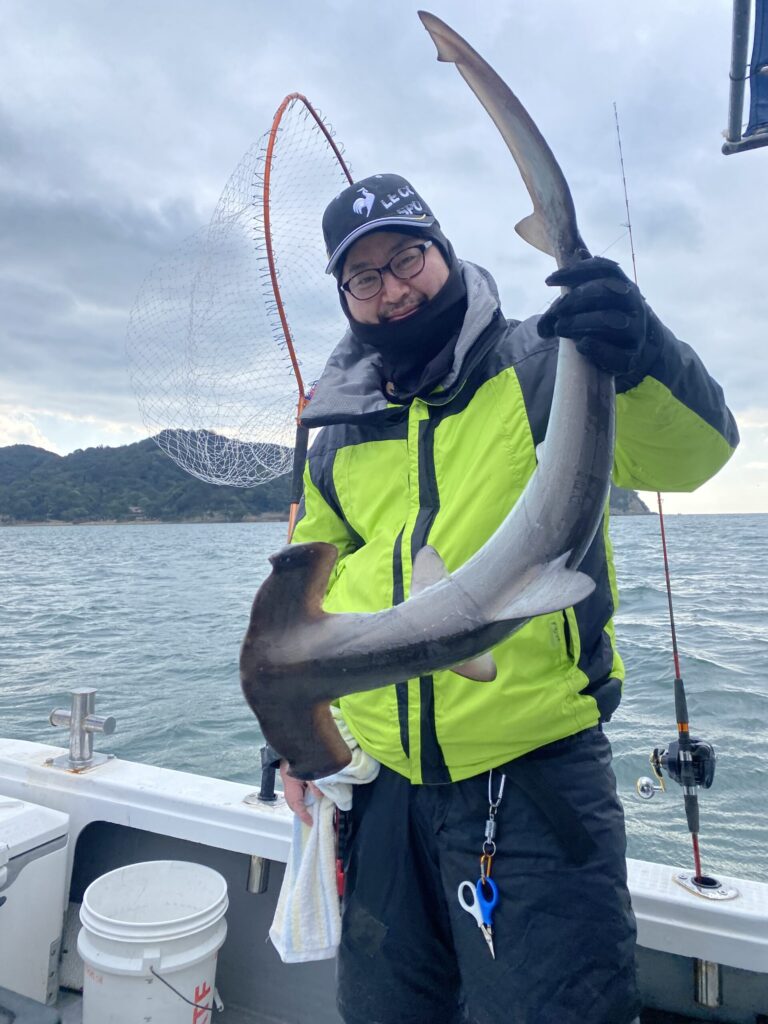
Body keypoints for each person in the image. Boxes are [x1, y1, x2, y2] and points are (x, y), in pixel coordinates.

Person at [280, 172, 738, 1024]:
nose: (393, 289)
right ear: (344, 295)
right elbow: (309, 598)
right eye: (364, 277)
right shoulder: (335, 427)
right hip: (381, 792)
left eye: (407, 258)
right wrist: (298, 739)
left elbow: (696, 458)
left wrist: (644, 352)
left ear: (444, 252)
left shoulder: (546, 361)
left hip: (534, 784)